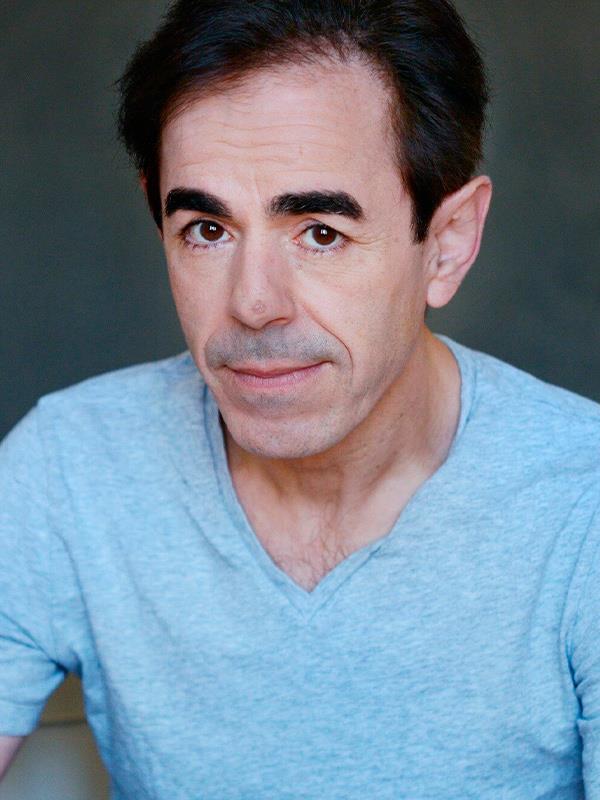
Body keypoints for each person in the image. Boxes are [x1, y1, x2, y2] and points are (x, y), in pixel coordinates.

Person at [1, 0, 599, 797]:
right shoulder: (71, 467)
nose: (253, 304)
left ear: (448, 243)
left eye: (321, 232)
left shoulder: (582, 507)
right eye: (207, 229)